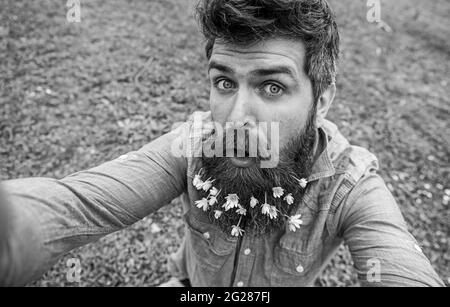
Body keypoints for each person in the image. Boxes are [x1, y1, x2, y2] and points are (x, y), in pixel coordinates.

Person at [0, 0, 444, 287]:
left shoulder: (350, 186)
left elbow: (398, 260)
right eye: (224, 82)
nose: (234, 119)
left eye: (272, 87)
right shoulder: (194, 145)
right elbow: (79, 204)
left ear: (321, 100)